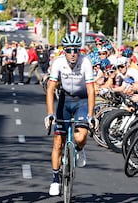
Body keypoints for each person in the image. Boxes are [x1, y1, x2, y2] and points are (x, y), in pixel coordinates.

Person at [44, 34, 96, 196]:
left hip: (82, 100)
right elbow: (51, 88)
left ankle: (79, 149)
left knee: (80, 137)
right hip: (65, 100)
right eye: (69, 50)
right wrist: (50, 114)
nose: (73, 53)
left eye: (76, 50)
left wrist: (91, 114)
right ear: (64, 51)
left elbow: (91, 89)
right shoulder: (58, 62)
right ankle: (55, 179)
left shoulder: (85, 61)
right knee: (58, 142)